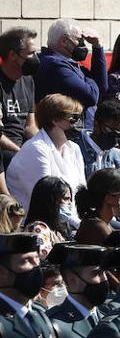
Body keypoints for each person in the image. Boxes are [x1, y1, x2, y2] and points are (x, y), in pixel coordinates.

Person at [7, 93, 87, 208]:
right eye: (73, 118)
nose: (78, 123)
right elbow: (49, 201)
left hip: (70, 218)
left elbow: (81, 192)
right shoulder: (36, 149)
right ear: (54, 119)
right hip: (40, 222)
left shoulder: (74, 149)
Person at [35, 18, 107, 129]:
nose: (82, 45)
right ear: (64, 41)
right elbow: (91, 96)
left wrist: (97, 47)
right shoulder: (54, 65)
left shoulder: (69, 63)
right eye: (79, 40)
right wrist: (87, 76)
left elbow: (102, 87)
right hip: (63, 134)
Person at [0, 27, 38, 163]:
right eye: (31, 53)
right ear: (12, 55)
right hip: (6, 152)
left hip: (22, 149)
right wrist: (20, 153)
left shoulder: (28, 80)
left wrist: (44, 144)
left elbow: (30, 126)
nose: (35, 58)